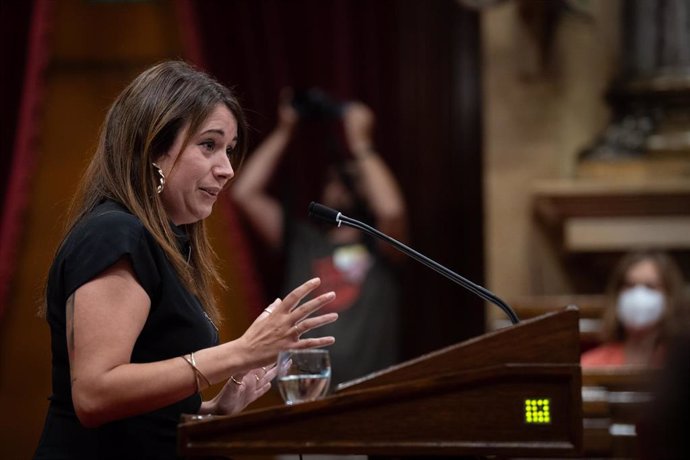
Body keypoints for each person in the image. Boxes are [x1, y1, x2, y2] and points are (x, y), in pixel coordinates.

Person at [33, 61, 339, 460]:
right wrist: (242, 352)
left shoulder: (164, 243)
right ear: (154, 148)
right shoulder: (114, 233)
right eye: (209, 145)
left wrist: (213, 411)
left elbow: (144, 422)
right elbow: (94, 395)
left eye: (228, 150)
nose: (227, 169)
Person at [231, 89, 408, 387]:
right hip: (301, 390)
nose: (341, 183)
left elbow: (391, 210)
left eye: (352, 178)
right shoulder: (303, 240)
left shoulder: (380, 243)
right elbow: (245, 193)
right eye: (333, 178)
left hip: (370, 393)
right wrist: (286, 130)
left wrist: (361, 143)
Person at [581, 250, 688, 367]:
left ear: (670, 297)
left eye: (650, 286)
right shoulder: (591, 365)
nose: (638, 295)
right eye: (630, 285)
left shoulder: (680, 366)